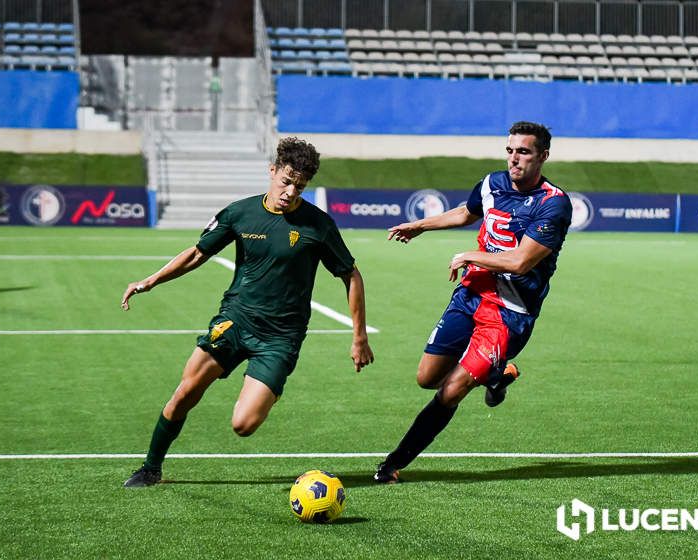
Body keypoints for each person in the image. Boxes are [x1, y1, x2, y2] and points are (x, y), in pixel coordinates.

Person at [120, 137, 374, 487]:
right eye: (286, 181)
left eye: (299, 186)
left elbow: (351, 274)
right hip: (234, 322)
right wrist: (150, 281)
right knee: (185, 392)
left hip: (280, 338)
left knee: (243, 425)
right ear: (272, 171)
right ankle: (151, 467)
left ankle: (270, 384)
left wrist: (358, 336)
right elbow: (197, 253)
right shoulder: (240, 213)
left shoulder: (318, 225)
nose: (290, 191)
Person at [374, 121, 572, 484]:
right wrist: (420, 226)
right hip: (471, 295)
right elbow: (467, 213)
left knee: (451, 391)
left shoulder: (553, 204)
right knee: (427, 378)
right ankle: (497, 375)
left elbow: (520, 262)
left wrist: (470, 255)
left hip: (509, 314)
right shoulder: (492, 183)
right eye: (510, 150)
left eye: (524, 152)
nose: (514, 159)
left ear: (543, 156)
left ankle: (392, 464)